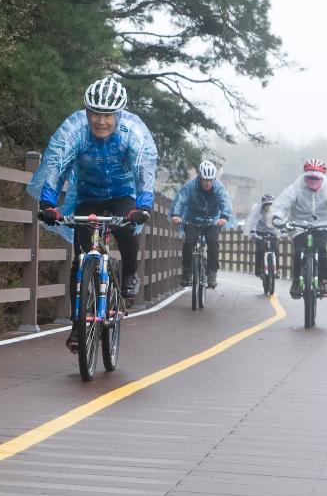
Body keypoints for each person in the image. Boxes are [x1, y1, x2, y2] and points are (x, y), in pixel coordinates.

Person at [28, 76, 158, 352]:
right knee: (80, 256)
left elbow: (144, 169)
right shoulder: (74, 130)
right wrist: (48, 203)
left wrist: (144, 206)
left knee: (125, 228)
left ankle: (129, 276)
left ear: (118, 115)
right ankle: (77, 326)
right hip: (87, 195)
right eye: (95, 113)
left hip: (123, 192)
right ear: (86, 112)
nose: (101, 121)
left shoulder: (133, 133)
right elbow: (55, 165)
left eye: (108, 115)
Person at [269, 159, 327, 298]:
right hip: (299, 224)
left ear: (322, 177)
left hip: (323, 224)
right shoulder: (296, 187)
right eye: (310, 178)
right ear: (305, 176)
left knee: (321, 248)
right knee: (298, 250)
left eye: (317, 178)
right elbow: (282, 203)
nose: (313, 181)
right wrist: (276, 217)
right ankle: (296, 281)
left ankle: (324, 280)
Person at [170, 160, 233, 288]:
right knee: (189, 243)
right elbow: (181, 199)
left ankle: (212, 273)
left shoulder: (218, 187)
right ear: (199, 178)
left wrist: (224, 216)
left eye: (210, 180)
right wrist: (176, 214)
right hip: (192, 219)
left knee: (213, 242)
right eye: (205, 180)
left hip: (212, 220)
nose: (208, 183)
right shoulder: (190, 186)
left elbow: (225, 201)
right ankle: (187, 271)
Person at [245, 192, 281, 282]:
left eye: (270, 205)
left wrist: (282, 230)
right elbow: (254, 220)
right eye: (266, 205)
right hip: (260, 232)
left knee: (276, 249)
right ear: (263, 205)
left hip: (272, 232)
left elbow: (280, 220)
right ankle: (258, 268)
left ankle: (276, 270)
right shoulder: (258, 211)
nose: (268, 207)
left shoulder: (276, 211)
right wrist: (253, 231)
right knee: (260, 249)